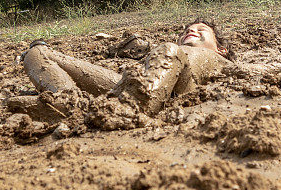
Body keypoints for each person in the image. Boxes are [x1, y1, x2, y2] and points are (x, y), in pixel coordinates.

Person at [12, 20, 232, 118]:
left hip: (167, 89)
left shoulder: (219, 60)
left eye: (201, 30)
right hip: (135, 86)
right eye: (187, 30)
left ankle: (127, 112)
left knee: (170, 50)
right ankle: (69, 105)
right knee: (37, 52)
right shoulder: (167, 52)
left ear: (221, 49)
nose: (191, 31)